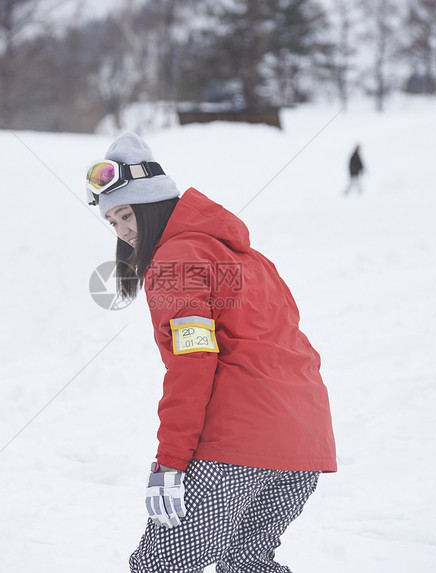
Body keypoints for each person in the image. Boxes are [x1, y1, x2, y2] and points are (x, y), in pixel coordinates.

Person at [85, 132, 337, 573]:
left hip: (236, 446)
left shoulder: (174, 262)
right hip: (304, 441)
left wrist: (171, 462)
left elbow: (193, 364)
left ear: (153, 205)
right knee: (247, 564)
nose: (124, 233)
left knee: (161, 567)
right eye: (113, 223)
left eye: (127, 215)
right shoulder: (249, 259)